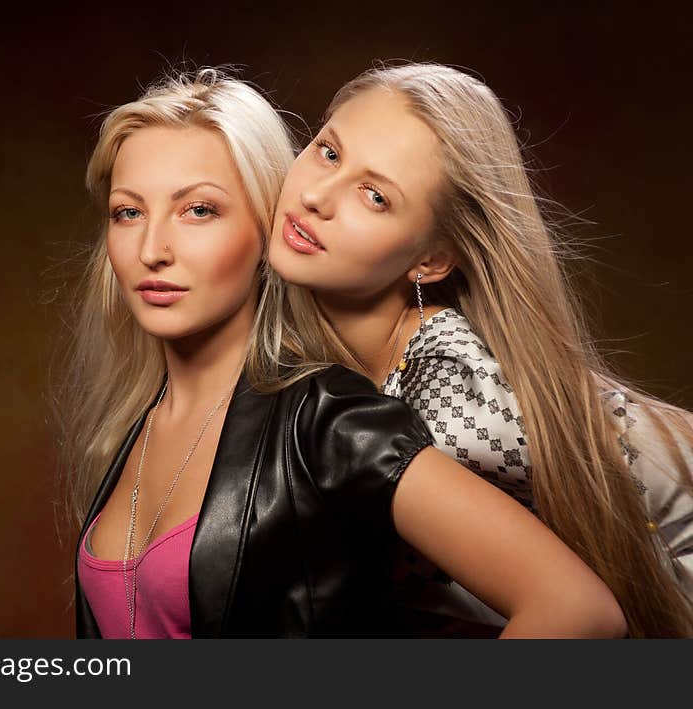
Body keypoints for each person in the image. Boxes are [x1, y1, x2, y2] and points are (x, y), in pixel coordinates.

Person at [58, 68, 625, 639]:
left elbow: (576, 608)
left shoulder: (330, 420)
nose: (152, 249)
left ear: (265, 221)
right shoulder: (136, 425)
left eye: (199, 210)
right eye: (128, 212)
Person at [267, 62, 693, 637]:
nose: (316, 196)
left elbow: (580, 610)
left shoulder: (454, 398)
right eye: (328, 152)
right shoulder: (293, 331)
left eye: (374, 196)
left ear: (430, 261)